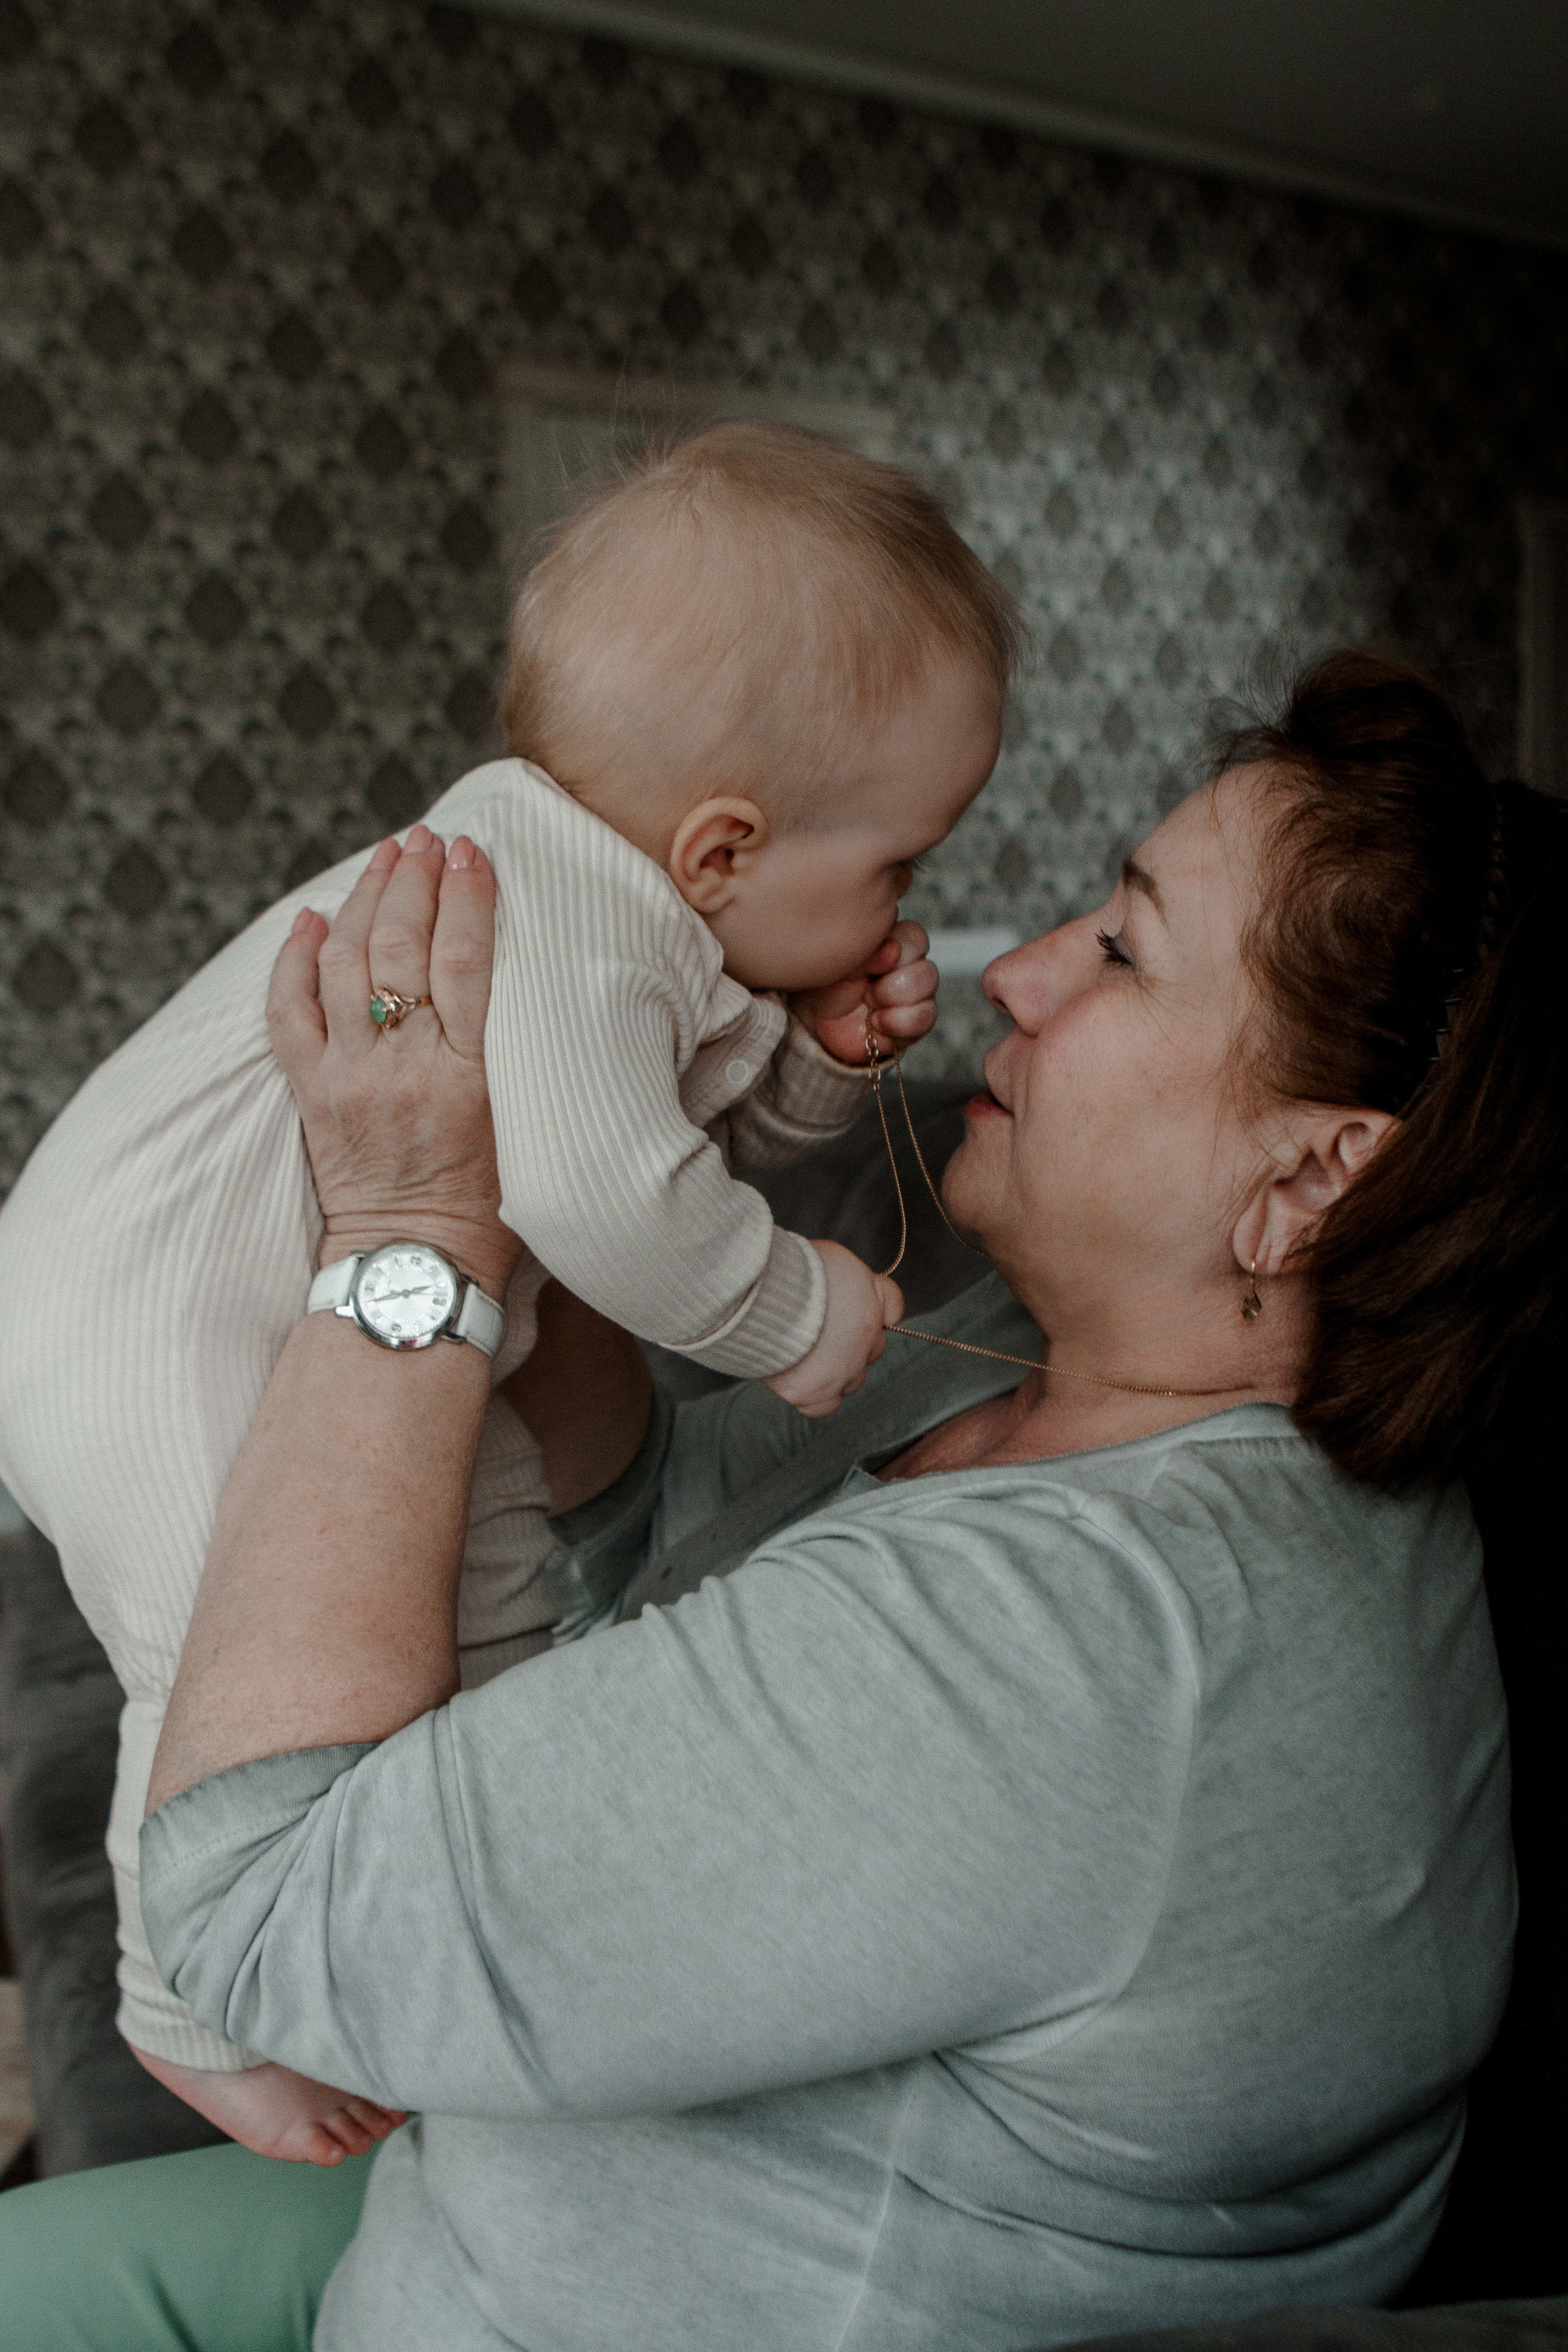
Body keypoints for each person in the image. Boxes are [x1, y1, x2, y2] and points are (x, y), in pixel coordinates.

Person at [5, 652, 1562, 2352]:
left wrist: (406, 1234)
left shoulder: (1079, 1656)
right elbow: (639, 1531)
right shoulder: (1022, 1365)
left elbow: (258, 1916)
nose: (1021, 973)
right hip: (453, 2227)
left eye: (1122, 950)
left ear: (1317, 1175)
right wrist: (561, 1158)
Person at [0, 424, 1012, 2144]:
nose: (910, 906)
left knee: (469, 1603)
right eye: (896, 868)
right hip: (131, 1304)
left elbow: (678, 1145)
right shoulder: (534, 900)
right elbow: (616, 1201)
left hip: (352, 1317)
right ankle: (178, 1999)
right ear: (719, 851)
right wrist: (803, 1318)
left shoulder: (638, 920)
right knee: (215, 1633)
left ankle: (391, 1915)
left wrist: (820, 1073)